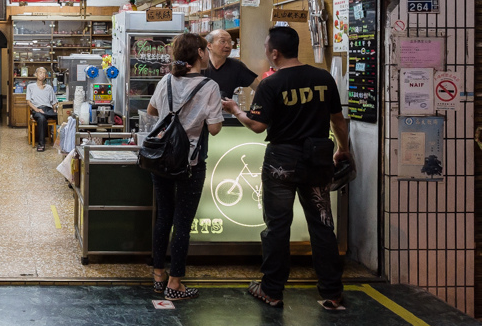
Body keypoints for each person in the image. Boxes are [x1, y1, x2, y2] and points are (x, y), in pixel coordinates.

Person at [221, 26, 352, 311]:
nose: (266, 51)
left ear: (275, 52)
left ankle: (272, 291)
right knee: (322, 225)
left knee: (278, 226)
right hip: (318, 159)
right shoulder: (323, 78)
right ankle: (332, 292)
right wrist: (343, 148)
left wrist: (235, 111)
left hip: (282, 160)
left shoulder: (272, 84)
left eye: (267, 47)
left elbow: (257, 126)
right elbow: (338, 121)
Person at [146, 33, 223, 300]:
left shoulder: (166, 79)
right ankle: (174, 283)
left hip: (162, 159)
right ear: (201, 53)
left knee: (163, 218)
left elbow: (152, 111)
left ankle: (158, 277)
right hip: (190, 162)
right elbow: (214, 129)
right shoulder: (209, 86)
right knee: (182, 223)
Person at [203, 29, 259, 98]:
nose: (228, 46)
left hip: (225, 108)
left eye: (230, 42)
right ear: (209, 45)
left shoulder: (236, 66)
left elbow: (259, 88)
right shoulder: (200, 65)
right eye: (222, 41)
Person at [26, 67, 58, 152]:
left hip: (48, 110)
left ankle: (62, 142)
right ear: (36, 74)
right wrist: (36, 109)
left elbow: (54, 102)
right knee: (41, 118)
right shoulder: (30, 86)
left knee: (62, 116)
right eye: (40, 72)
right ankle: (41, 144)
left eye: (44, 73)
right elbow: (28, 102)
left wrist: (55, 109)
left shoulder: (49, 87)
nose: (42, 75)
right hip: (38, 110)